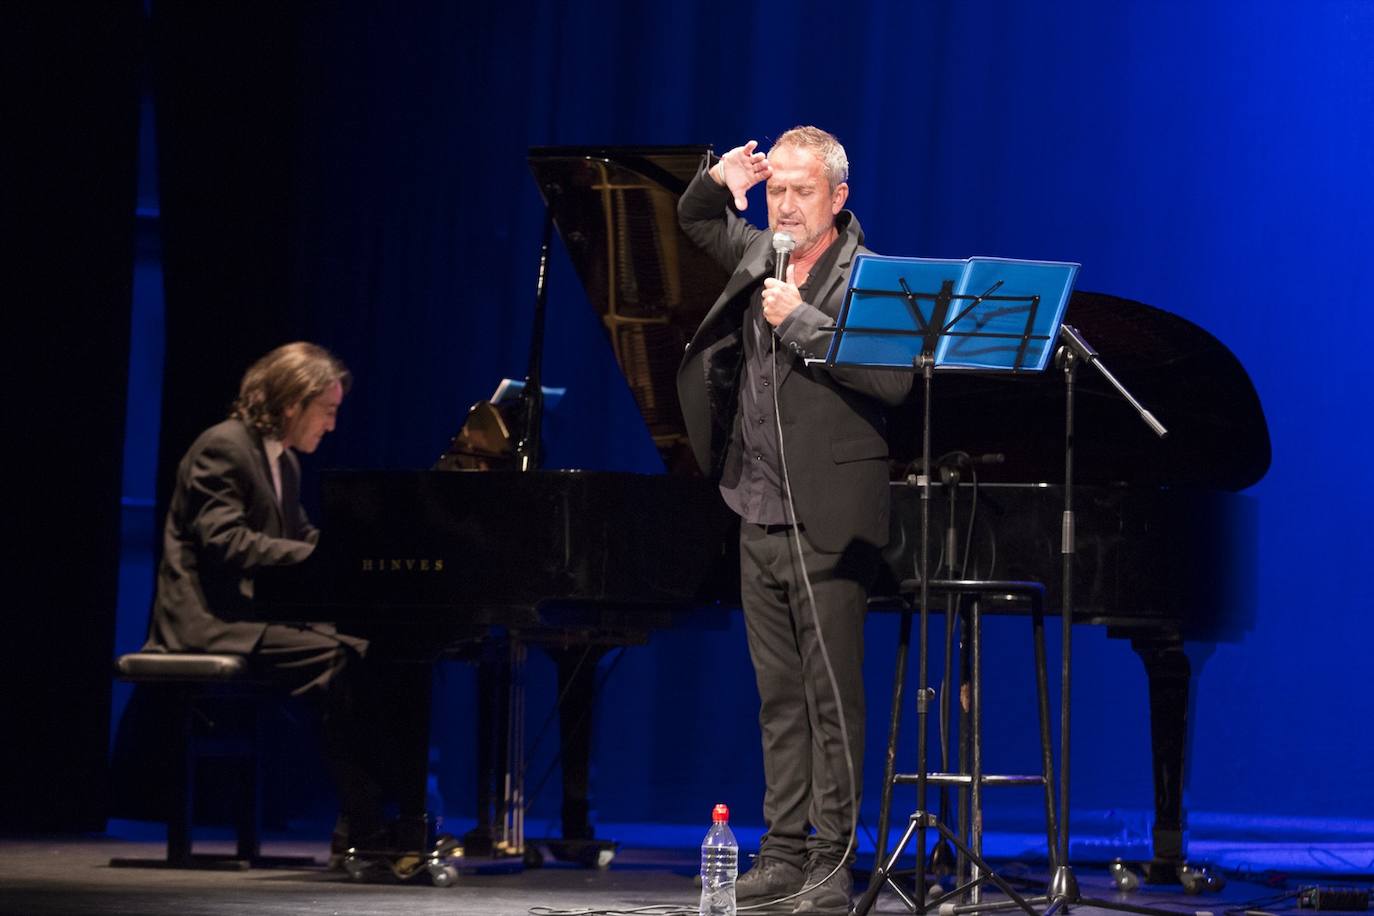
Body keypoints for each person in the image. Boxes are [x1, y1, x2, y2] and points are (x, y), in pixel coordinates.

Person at [676, 127, 911, 914]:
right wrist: (719, 183)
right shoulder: (761, 254)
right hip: (757, 507)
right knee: (777, 697)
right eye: (776, 189)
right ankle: (780, 854)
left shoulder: (869, 276)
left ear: (837, 198)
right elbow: (696, 221)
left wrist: (802, 324)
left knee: (831, 698)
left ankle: (830, 859)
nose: (784, 204)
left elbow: (892, 379)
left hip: (831, 516)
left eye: (799, 190)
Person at [144, 341, 387, 855]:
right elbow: (224, 541)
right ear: (292, 404)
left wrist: (355, 553)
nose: (332, 425)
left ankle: (370, 818)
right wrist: (316, 559)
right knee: (338, 658)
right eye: (328, 411)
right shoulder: (224, 446)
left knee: (371, 649)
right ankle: (364, 827)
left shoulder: (285, 464)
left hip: (249, 615)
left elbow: (300, 536)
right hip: (207, 620)